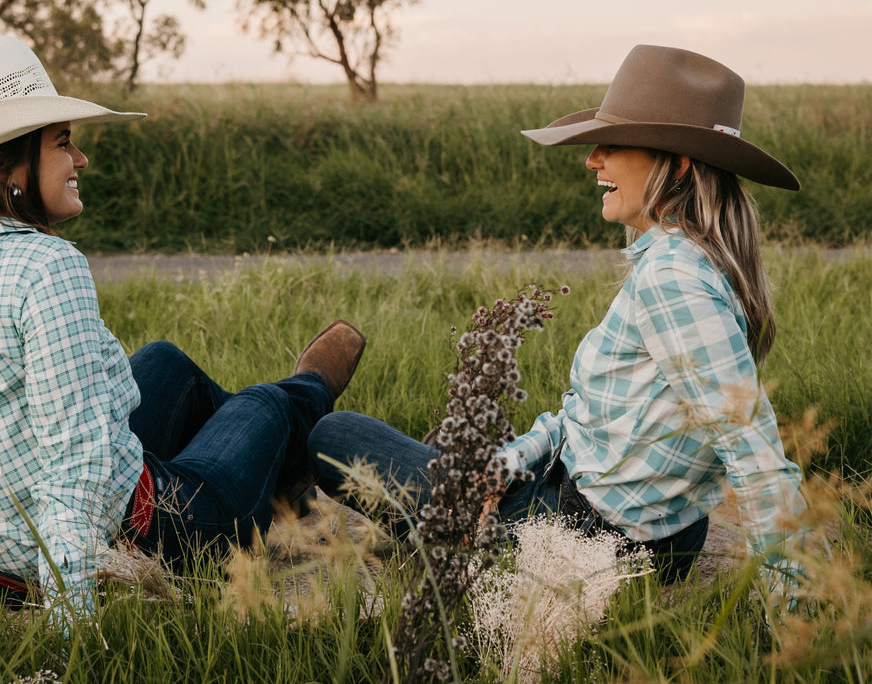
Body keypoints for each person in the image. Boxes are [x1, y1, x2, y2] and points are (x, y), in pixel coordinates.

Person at [0, 36, 366, 615]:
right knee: (265, 406)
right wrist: (73, 619)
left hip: (6, 573)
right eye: (63, 142)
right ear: (5, 169)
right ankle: (304, 404)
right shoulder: (47, 267)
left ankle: (274, 462)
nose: (80, 160)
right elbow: (77, 466)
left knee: (164, 362)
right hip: (153, 535)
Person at [309, 44, 807, 585]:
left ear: (679, 165)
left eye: (612, 145)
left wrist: (794, 627)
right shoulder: (689, 261)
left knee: (334, 434)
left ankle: (457, 538)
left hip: (585, 539)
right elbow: (593, 420)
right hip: (659, 530)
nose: (593, 159)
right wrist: (513, 459)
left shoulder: (673, 279)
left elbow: (754, 453)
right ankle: (464, 495)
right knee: (453, 448)